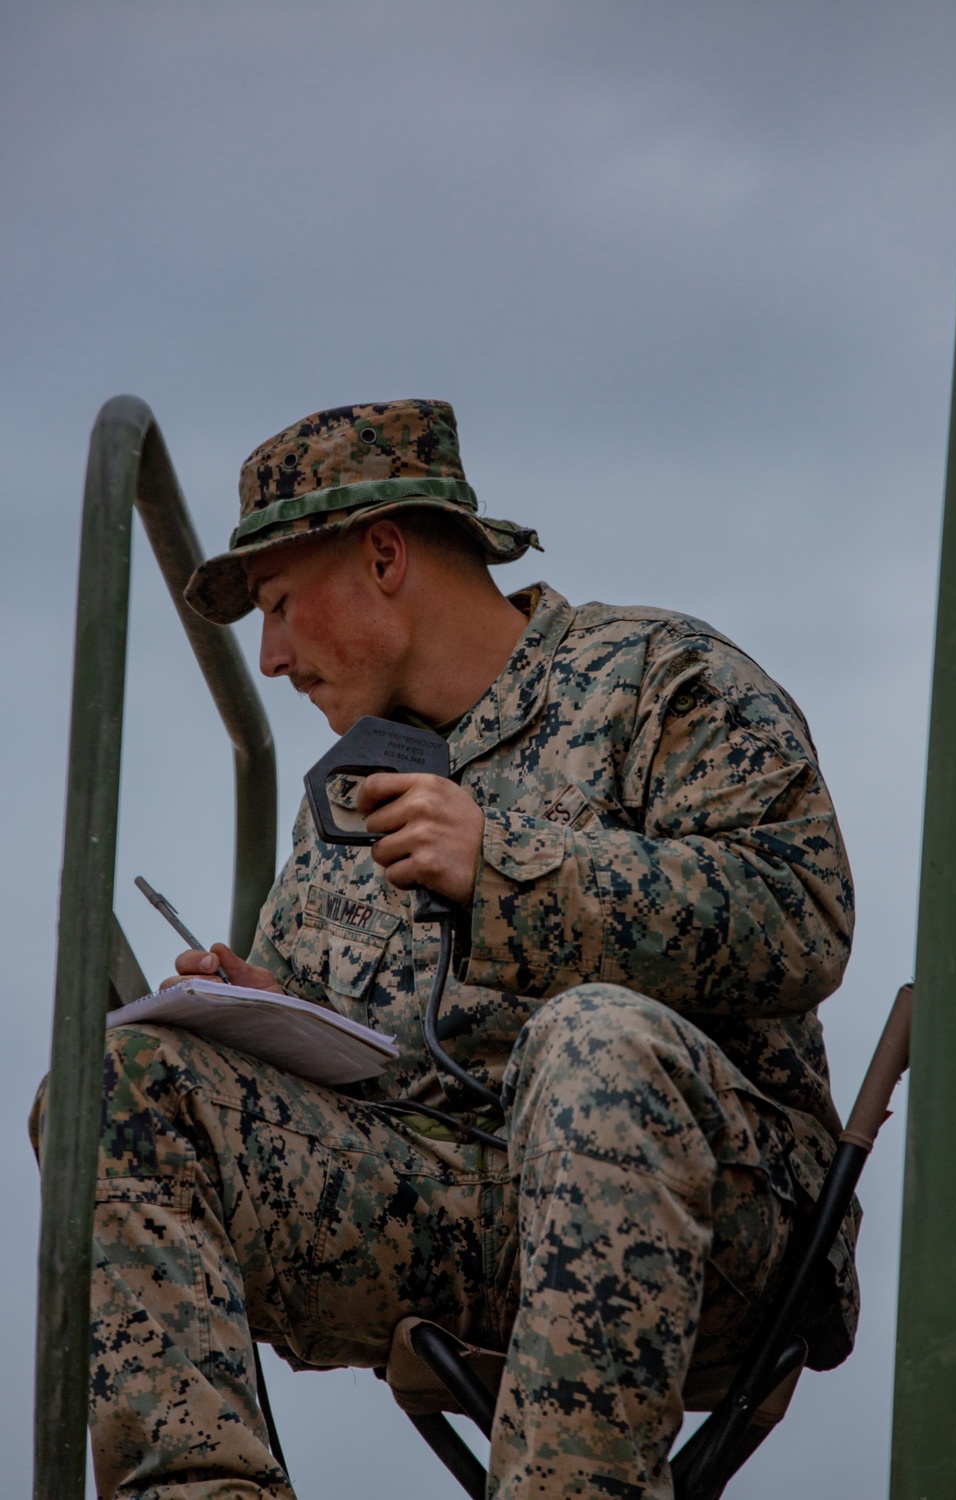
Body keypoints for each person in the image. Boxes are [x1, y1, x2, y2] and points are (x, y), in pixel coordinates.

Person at [45, 399, 859, 1499]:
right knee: (113, 1084)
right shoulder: (351, 788)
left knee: (595, 1035)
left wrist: (506, 867)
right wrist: (264, 1011)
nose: (273, 659)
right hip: (458, 1211)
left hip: (713, 1223)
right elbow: (357, 1066)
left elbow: (801, 913)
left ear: (384, 556)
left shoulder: (660, 679)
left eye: (282, 606)